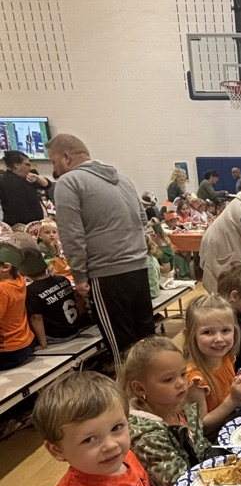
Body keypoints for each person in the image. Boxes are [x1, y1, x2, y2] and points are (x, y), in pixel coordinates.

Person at [46, 133, 155, 365]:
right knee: (147, 339)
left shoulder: (69, 182)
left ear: (65, 158)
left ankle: (129, 397)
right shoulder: (123, 180)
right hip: (138, 267)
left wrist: (79, 274)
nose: (54, 170)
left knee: (121, 346)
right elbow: (143, 220)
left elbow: (71, 234)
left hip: (106, 272)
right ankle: (155, 396)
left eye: (53, 162)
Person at [122, 336, 212, 486]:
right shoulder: (146, 435)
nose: (181, 383)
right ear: (140, 388)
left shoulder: (179, 408)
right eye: (168, 379)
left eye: (183, 374)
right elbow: (178, 484)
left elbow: (203, 450)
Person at [183, 295, 241, 436]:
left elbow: (228, 392)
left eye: (225, 330)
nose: (219, 339)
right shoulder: (194, 379)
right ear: (190, 335)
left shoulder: (226, 358)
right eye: (208, 332)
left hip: (237, 429)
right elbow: (202, 428)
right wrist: (233, 399)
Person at [21, 247, 88, 347]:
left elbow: (36, 318)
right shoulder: (62, 279)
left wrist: (43, 344)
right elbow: (78, 301)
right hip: (75, 328)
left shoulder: (31, 291)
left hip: (57, 336)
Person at [0, 242, 36, 369]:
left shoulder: (2, 289)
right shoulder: (19, 279)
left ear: (5, 267)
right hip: (27, 343)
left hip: (8, 352)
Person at [0, 151, 50, 227]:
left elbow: (47, 185)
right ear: (17, 165)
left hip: (34, 225)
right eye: (27, 164)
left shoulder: (27, 179)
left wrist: (37, 178)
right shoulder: (4, 181)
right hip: (17, 227)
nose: (29, 167)